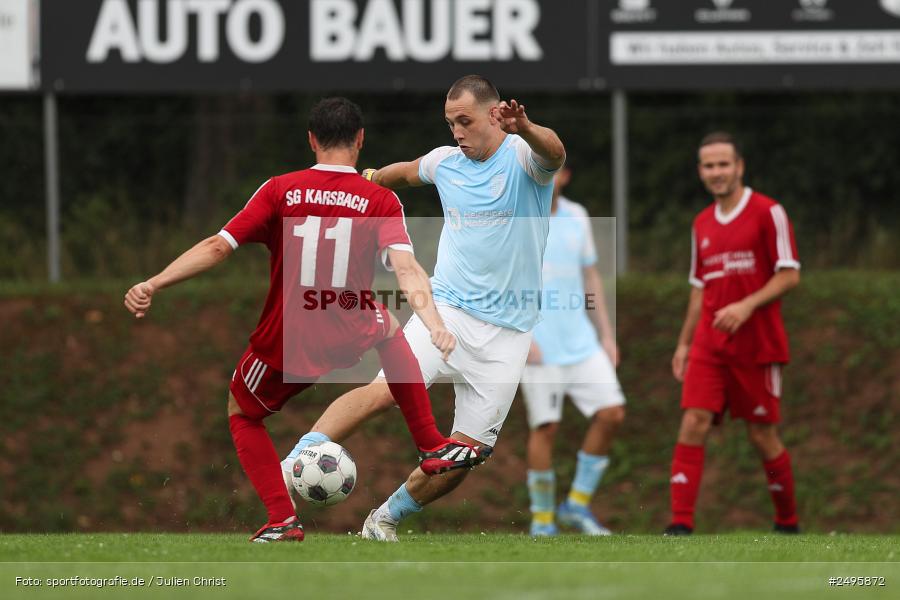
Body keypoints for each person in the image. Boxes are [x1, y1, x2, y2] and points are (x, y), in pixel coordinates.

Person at [123, 97, 488, 543]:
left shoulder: (279, 189)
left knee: (242, 414)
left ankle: (282, 519)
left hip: (288, 337)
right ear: (360, 140)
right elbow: (408, 269)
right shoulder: (380, 198)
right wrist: (432, 322)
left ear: (311, 140)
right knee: (389, 330)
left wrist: (155, 282)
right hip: (350, 326)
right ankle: (431, 444)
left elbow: (218, 247)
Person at [280, 74, 566, 542]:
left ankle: (384, 519)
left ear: (495, 115)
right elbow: (407, 171)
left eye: (464, 121)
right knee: (389, 388)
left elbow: (555, 152)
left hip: (510, 334)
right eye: (450, 122)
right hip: (448, 310)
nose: (456, 131)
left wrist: (527, 127)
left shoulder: (523, 158)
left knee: (467, 453)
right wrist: (367, 179)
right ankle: (296, 459)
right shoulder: (446, 162)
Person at [665, 132, 801, 535]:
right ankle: (680, 527)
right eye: (709, 166)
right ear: (700, 172)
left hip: (757, 344)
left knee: (762, 435)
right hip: (710, 343)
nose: (717, 172)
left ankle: (788, 523)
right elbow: (699, 287)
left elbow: (790, 274)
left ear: (739, 166)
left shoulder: (768, 211)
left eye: (724, 164)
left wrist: (746, 305)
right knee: (694, 421)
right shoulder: (701, 222)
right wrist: (685, 342)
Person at [519, 165, 626, 537]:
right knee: (545, 427)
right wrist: (521, 335)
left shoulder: (578, 216)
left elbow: (590, 277)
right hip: (537, 348)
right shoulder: (517, 218)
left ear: (564, 176)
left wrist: (607, 336)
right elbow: (500, 281)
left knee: (611, 414)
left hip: (582, 344)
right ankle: (543, 520)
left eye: (556, 170)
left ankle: (577, 505)